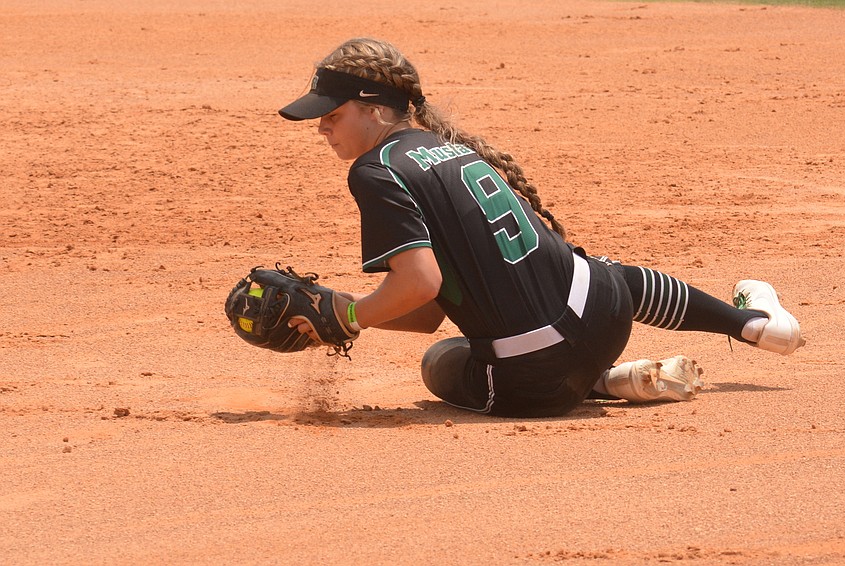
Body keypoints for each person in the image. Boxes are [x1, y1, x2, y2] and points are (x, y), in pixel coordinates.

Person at [278, 38, 805, 418]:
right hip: (606, 316)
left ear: (373, 109)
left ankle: (599, 383)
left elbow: (420, 287)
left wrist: (346, 316)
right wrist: (341, 307)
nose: (321, 126)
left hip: (531, 383)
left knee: (440, 364)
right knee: (597, 272)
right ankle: (754, 325)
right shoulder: (450, 148)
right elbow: (427, 312)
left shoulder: (375, 170)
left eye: (333, 113)